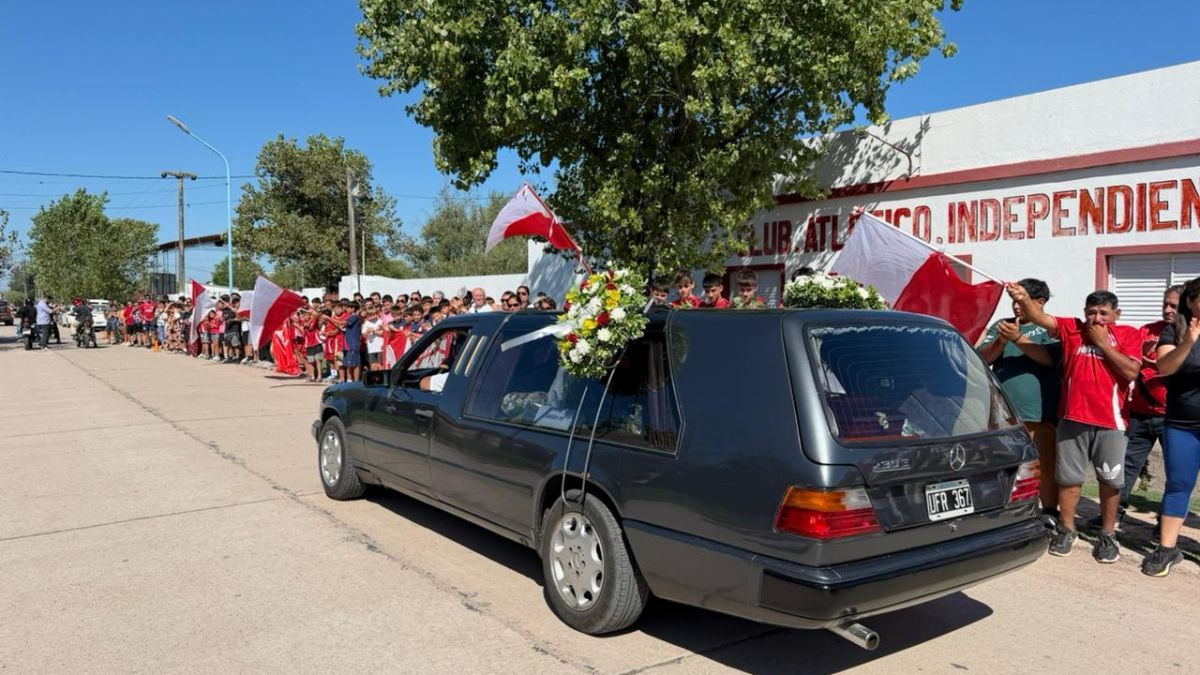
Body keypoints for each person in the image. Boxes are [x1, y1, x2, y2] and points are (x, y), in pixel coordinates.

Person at [1008, 284, 1140, 563]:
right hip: (1072, 419)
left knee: (1109, 481)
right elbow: (1041, 317)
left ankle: (1107, 534)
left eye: (1104, 313)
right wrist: (1022, 298)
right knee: (1068, 480)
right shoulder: (1072, 329)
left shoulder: (1128, 334)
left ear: (1116, 314)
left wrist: (1103, 343)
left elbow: (1130, 372)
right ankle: (1068, 530)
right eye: (1091, 313)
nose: (1096, 319)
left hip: (1111, 422)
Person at [1085, 285, 1180, 532]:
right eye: (1165, 304)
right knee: (1125, 466)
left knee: (1176, 470)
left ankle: (1166, 521)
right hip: (1139, 411)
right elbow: (1128, 358)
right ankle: (1114, 513)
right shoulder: (1147, 331)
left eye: (1174, 305)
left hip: (1175, 416)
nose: (1168, 309)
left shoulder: (1191, 334)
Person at [979, 278, 1062, 526]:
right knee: (1006, 461)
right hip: (1003, 410)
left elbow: (1050, 359)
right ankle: (1009, 505)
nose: (1016, 306)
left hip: (1038, 410)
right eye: (1013, 301)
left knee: (1042, 463)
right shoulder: (1001, 326)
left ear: (1039, 302)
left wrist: (1018, 340)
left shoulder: (1049, 328)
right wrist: (1001, 341)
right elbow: (982, 358)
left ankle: (1049, 510)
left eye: (1021, 300)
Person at [1142, 277, 1200, 576]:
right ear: (1191, 302)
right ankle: (1167, 549)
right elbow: (1164, 367)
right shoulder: (1173, 331)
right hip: (1183, 424)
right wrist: (1189, 342)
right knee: (1178, 485)